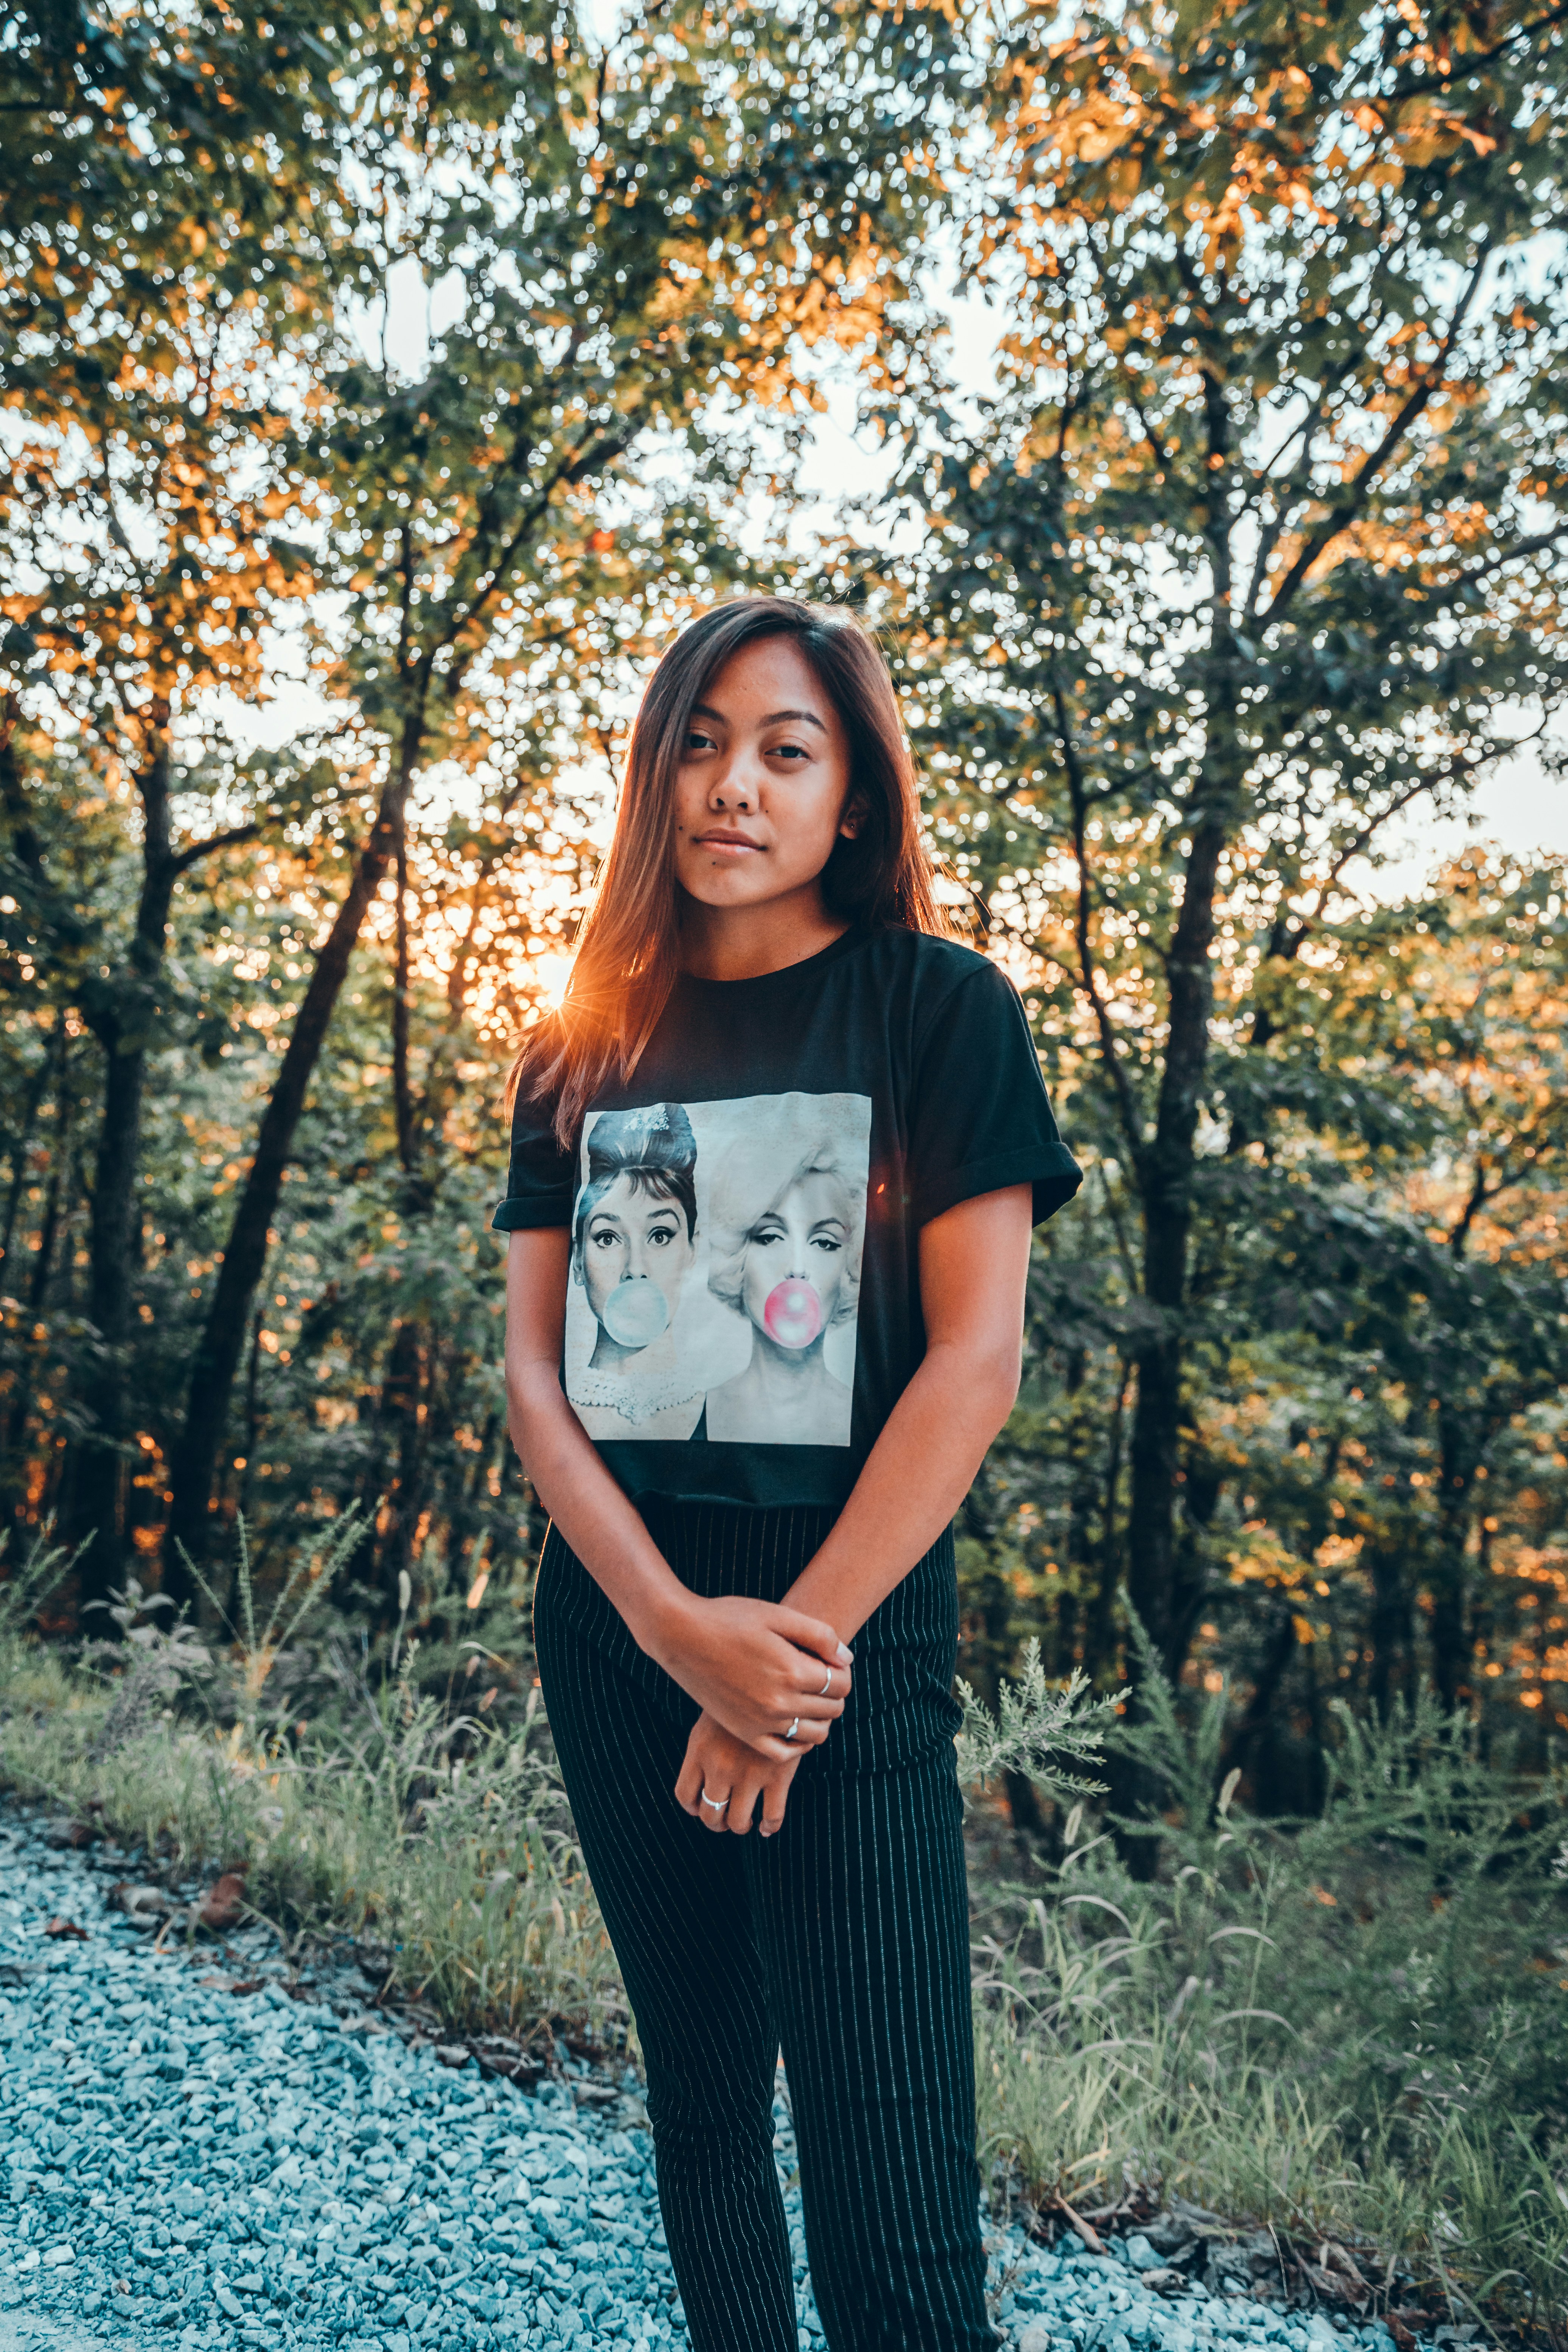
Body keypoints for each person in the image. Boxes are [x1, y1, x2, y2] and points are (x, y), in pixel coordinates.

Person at [498, 595, 1081, 2352]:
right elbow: (535, 1374)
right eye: (698, 742)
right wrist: (676, 1632)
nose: (732, 784)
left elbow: (974, 1365)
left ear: (855, 797)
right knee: (702, 2111)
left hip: (848, 1645)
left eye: (784, 749)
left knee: (894, 2208)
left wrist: (781, 1670)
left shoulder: (938, 1010)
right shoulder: (578, 1043)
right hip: (622, 1626)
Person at [703, 1101, 865, 1446]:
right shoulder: (688, 1416)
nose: (797, 1268)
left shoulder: (876, 1421)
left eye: (824, 1243)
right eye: (769, 1237)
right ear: (737, 1256)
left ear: (849, 1264)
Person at [567, 1102, 704, 1441]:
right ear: (578, 1261)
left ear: (692, 1251)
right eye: (608, 1238)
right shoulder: (546, 1406)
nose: (635, 1269)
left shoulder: (734, 1406)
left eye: (660, 1236)